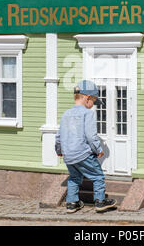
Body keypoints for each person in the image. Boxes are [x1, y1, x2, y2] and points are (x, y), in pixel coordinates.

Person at [55, 80, 117, 213]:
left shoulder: (66, 114)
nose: (93, 105)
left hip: (68, 155)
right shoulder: (88, 113)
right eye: (93, 101)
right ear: (87, 98)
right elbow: (90, 135)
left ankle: (72, 203)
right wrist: (98, 149)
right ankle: (100, 201)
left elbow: (59, 135)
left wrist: (59, 150)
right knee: (98, 176)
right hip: (83, 153)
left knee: (74, 177)